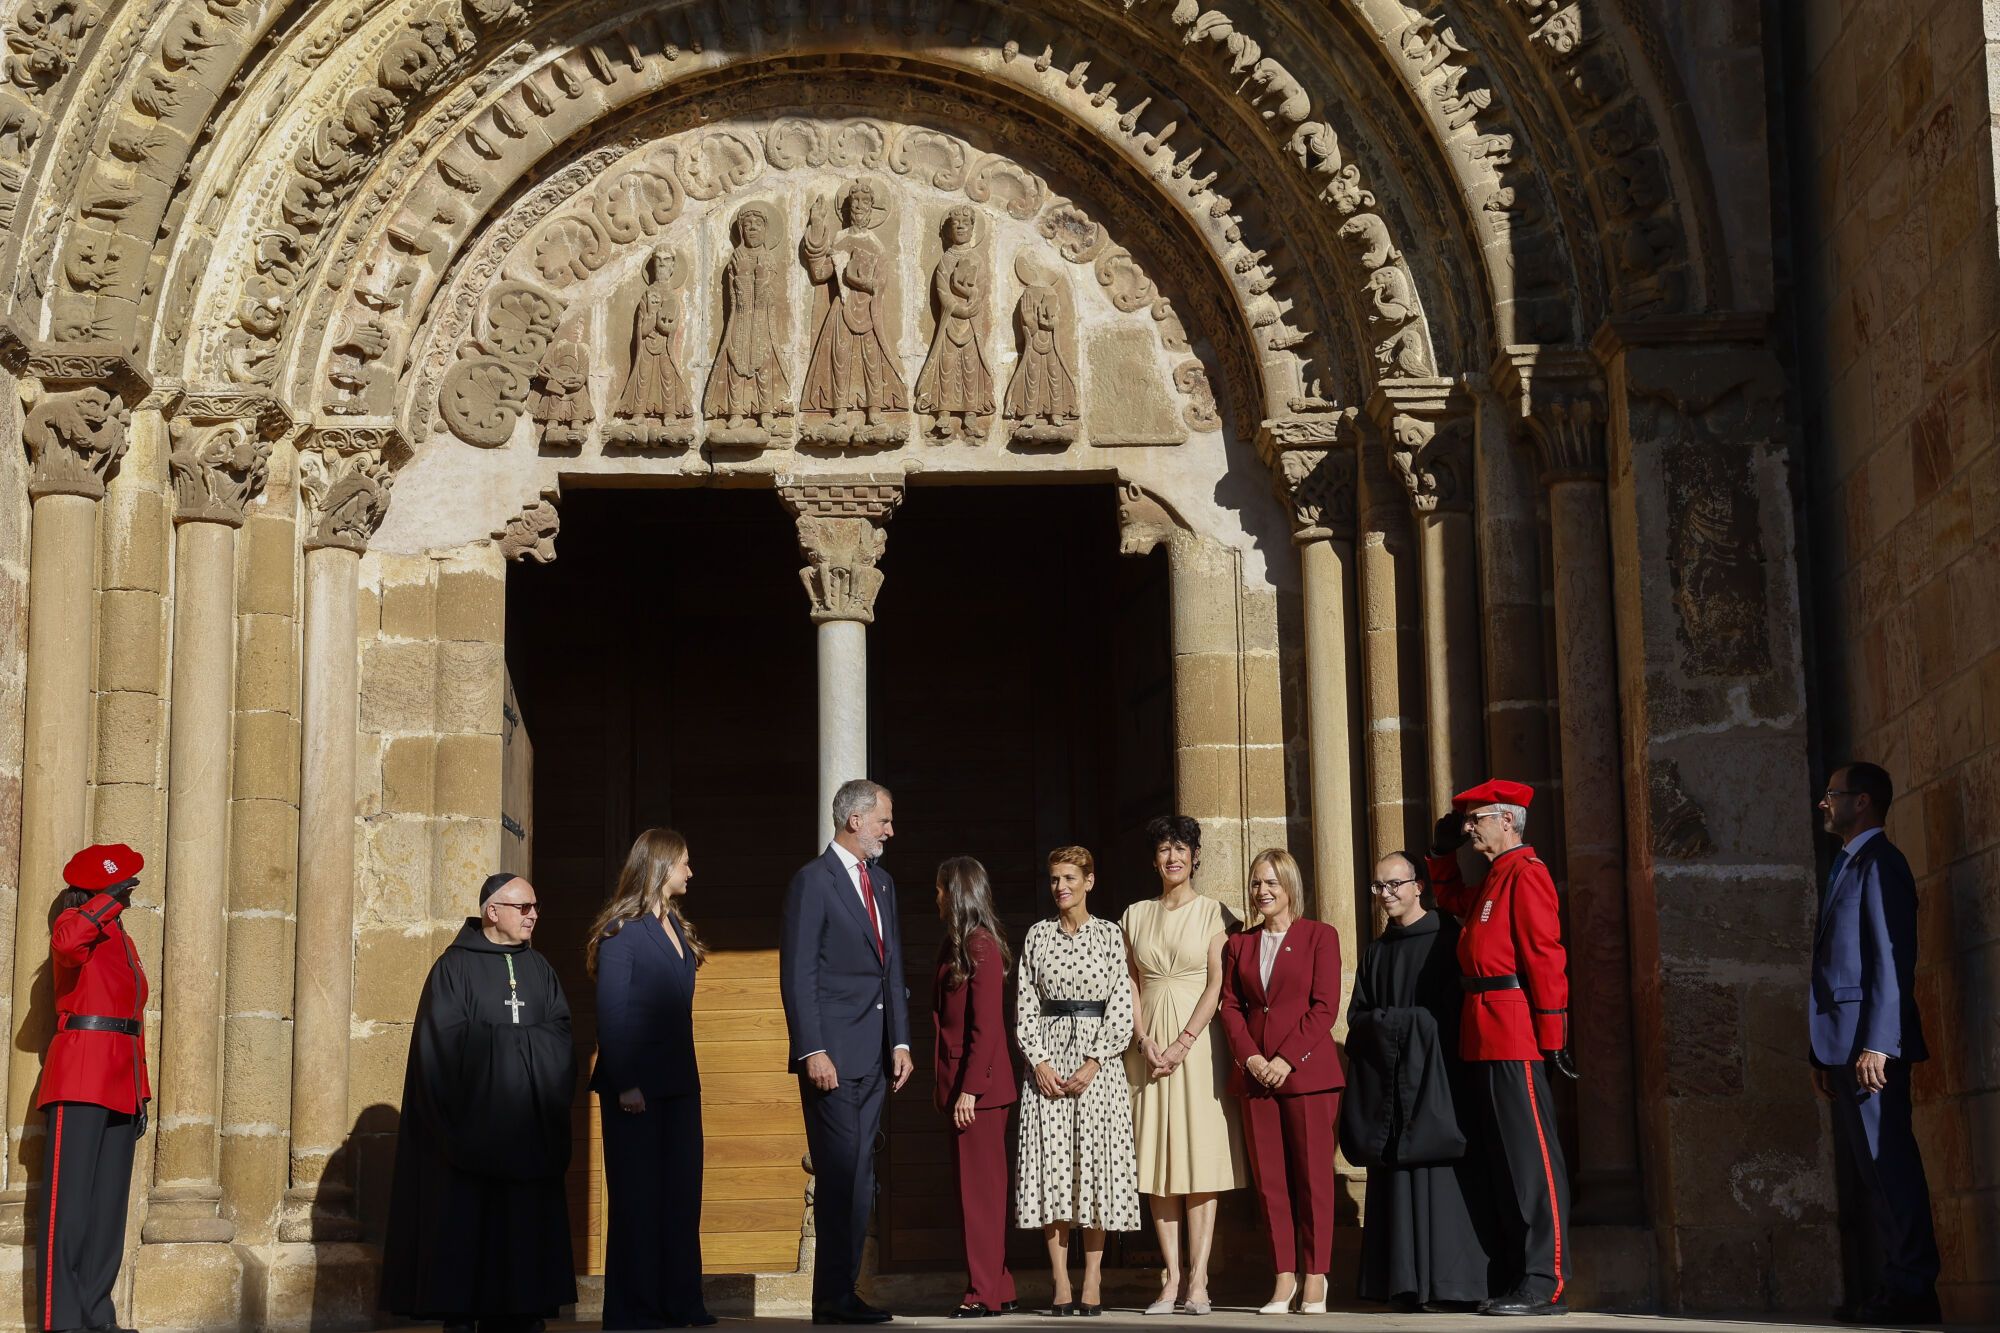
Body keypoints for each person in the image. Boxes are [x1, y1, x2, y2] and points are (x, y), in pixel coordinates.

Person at [380, 873, 578, 1333]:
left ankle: (523, 1310)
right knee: (469, 1230)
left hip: (527, 1131)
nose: (534, 915)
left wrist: (509, 1050)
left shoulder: (540, 969)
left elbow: (561, 1036)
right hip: (471, 1134)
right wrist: (522, 1049)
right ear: (493, 911)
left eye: (535, 906)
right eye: (524, 907)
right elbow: (444, 1045)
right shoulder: (453, 969)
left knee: (522, 1231)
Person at [1428, 781, 1573, 1318]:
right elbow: (1455, 903)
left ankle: (1547, 1279)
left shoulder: (1526, 874)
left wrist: (1553, 1038)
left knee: (1532, 1161)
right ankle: (1520, 1271)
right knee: (1505, 1161)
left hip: (1516, 1033)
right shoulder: (1496, 876)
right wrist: (1441, 858)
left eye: (1477, 819)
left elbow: (1545, 956)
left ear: (1507, 821)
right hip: (1484, 1029)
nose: (1470, 828)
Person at [779, 779, 912, 1325]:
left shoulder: (882, 884)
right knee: (840, 1176)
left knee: (860, 1177)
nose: (890, 829)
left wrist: (900, 1040)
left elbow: (893, 967)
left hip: (877, 1057)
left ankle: (841, 1293)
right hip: (831, 1059)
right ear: (854, 820)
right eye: (883, 819)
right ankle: (830, 1297)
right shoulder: (813, 882)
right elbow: (798, 972)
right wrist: (812, 1048)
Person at [1812, 763, 1939, 1325]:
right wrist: (1823, 1051)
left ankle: (1911, 1289)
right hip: (1843, 1046)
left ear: (1861, 802)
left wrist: (1879, 1044)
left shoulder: (1882, 863)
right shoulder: (1847, 862)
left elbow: (1892, 959)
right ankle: (1897, 1285)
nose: (1824, 803)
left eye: (1832, 795)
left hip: (1871, 1051)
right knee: (1873, 1175)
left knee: (1891, 1168)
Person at [1343, 852, 1491, 1311]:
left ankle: (1450, 1285)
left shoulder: (1448, 939)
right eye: (1379, 887)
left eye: (1394, 885)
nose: (1386, 895)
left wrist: (1400, 1025)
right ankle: (1402, 1284)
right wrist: (1394, 1027)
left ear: (1418, 886)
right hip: (1391, 1087)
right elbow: (1357, 1019)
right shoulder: (1376, 951)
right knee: (1395, 1179)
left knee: (1442, 1178)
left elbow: (1455, 1011)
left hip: (1440, 1082)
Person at [588, 829, 715, 1329]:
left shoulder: (675, 928)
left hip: (680, 1084)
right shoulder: (623, 932)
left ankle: (680, 1302)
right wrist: (625, 1082)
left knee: (681, 1197)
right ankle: (635, 1310)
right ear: (661, 867)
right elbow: (611, 1013)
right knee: (639, 1200)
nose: (690, 872)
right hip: (635, 1088)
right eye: (684, 863)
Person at [1121, 815, 1246, 1317]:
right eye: (1164, 850)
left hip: (1197, 1046)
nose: (1173, 858)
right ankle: (1169, 1278)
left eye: (1181, 849)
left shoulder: (1216, 913)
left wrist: (1183, 1042)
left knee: (1198, 1159)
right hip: (1147, 1046)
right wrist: (1145, 1038)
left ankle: (1199, 1278)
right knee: (1156, 1162)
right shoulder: (1133, 914)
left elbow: (1217, 983)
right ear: (1154, 860)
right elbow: (1128, 980)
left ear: (1195, 856)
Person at [1015, 846, 1141, 1317]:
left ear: (1089, 881)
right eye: (1054, 879)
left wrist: (1094, 1061)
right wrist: (1040, 1061)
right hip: (1047, 1063)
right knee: (1053, 1168)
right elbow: (1025, 1004)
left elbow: (1122, 1006)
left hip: (1097, 1066)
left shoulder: (1110, 935)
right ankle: (1060, 1281)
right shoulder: (1037, 936)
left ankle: (1092, 1278)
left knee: (1095, 1168)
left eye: (1069, 878)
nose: (1060, 887)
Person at [1217, 848, 1343, 1315]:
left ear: (1290, 886)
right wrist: (1250, 1057)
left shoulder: (1319, 936)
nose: (1262, 891)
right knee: (1270, 1183)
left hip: (1307, 1075)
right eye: (1255, 883)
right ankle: (1283, 1277)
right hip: (1255, 1078)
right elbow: (1230, 1006)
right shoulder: (1240, 944)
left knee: (1313, 1180)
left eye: (1271, 882)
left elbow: (1325, 1006)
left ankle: (1315, 1277)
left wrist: (1286, 1059)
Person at [37, 843, 150, 1333]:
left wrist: (141, 1090)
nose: (130, 891)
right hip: (80, 1074)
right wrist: (102, 903)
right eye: (123, 884)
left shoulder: (121, 940)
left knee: (107, 1212)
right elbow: (67, 946)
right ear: (102, 889)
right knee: (70, 1213)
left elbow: (132, 1019)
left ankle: (97, 1319)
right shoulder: (76, 924)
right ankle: (63, 1323)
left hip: (120, 1079)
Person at [930, 856, 1019, 1318]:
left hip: (979, 1094)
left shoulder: (981, 946)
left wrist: (969, 1090)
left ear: (958, 892)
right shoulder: (957, 945)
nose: (937, 896)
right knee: (977, 1191)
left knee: (980, 1196)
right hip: (961, 1088)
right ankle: (999, 1285)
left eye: (942, 888)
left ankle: (981, 1293)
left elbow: (986, 1027)